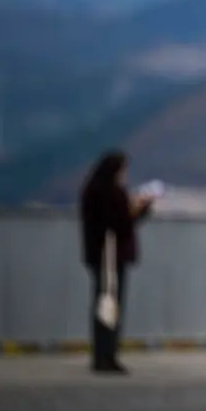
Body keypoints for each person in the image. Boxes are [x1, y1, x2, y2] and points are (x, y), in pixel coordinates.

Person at [79, 149, 154, 375]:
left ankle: (101, 354)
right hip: (111, 257)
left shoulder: (92, 191)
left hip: (99, 255)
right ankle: (107, 355)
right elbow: (121, 223)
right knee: (111, 306)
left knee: (103, 305)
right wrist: (140, 209)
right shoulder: (110, 192)